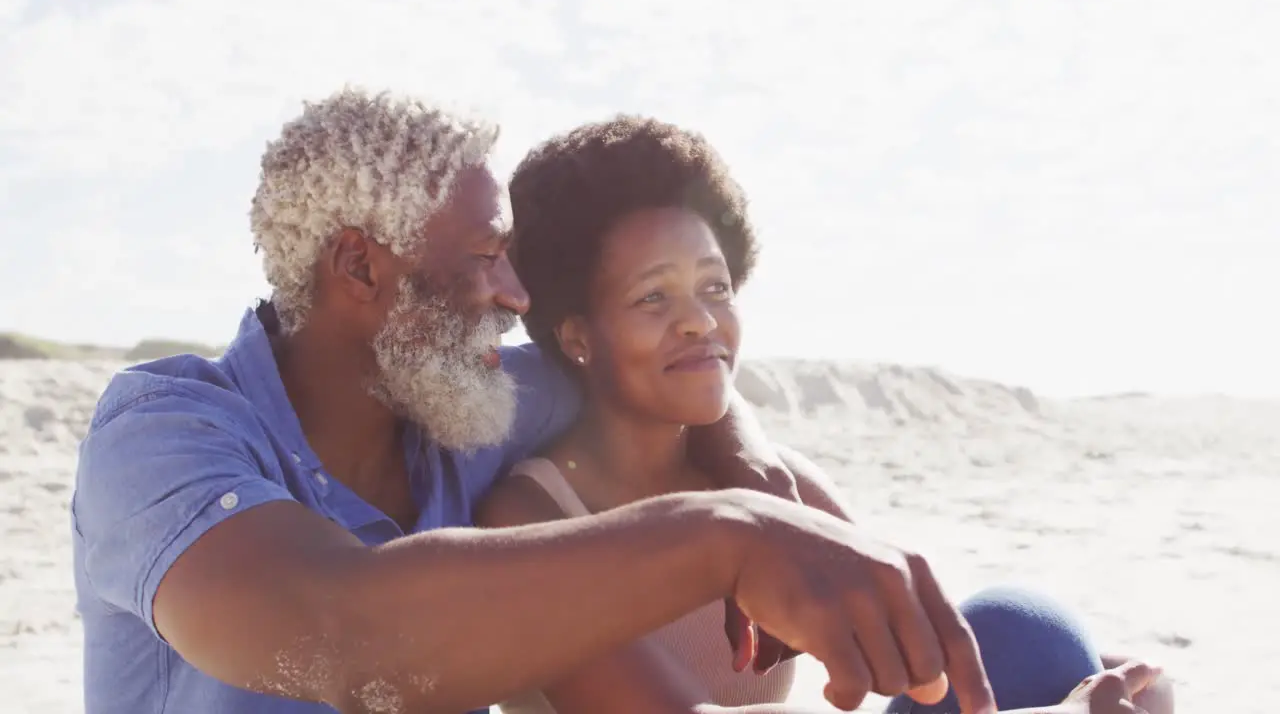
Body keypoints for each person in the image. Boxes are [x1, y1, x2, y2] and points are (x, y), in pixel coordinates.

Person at [71, 88, 1002, 714]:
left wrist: (746, 461)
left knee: (1023, 633)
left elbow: (664, 366)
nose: (518, 293)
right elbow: (340, 632)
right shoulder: (161, 436)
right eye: (486, 256)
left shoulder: (457, 403)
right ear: (361, 266)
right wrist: (730, 531)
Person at [480, 115, 1173, 714]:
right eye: (653, 298)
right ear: (577, 337)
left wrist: (1120, 684)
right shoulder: (530, 520)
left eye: (715, 287)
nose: (700, 321)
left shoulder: (778, 485)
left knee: (1030, 632)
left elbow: (927, 663)